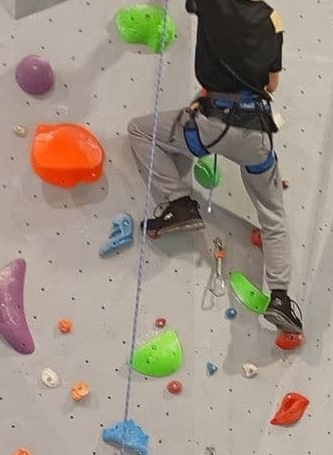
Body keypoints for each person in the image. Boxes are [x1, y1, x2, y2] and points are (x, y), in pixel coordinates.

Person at [126, 0, 303, 335]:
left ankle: (179, 203)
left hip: (210, 125)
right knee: (273, 216)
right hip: (256, 134)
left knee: (140, 130)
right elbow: (272, 84)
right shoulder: (272, 17)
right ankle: (279, 297)